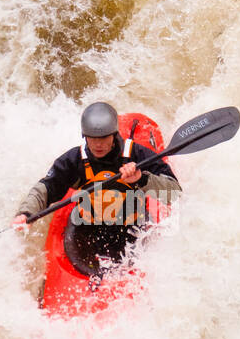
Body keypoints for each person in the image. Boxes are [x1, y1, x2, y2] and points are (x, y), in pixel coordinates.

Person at [13, 102, 181, 275]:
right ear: (84, 136)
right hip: (89, 230)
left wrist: (142, 178)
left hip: (132, 228)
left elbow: (174, 193)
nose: (98, 144)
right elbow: (46, 187)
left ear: (114, 135)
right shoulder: (75, 160)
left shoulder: (137, 155)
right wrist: (26, 213)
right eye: (92, 138)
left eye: (103, 138)